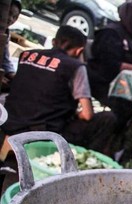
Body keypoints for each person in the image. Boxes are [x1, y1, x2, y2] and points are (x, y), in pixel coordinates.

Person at [1, 26, 117, 156]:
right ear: (80, 50)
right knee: (107, 118)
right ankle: (84, 162)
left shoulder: (27, 54)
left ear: (54, 41)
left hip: (9, 122)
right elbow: (87, 114)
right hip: (42, 133)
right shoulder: (75, 67)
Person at [87, 1, 132, 133]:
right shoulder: (110, 34)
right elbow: (113, 65)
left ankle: (128, 134)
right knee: (125, 109)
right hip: (106, 85)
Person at [1, 0, 21, 92]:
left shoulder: (5, 32)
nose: (10, 19)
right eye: (9, 13)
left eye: (14, 17)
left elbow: (5, 58)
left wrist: (12, 74)